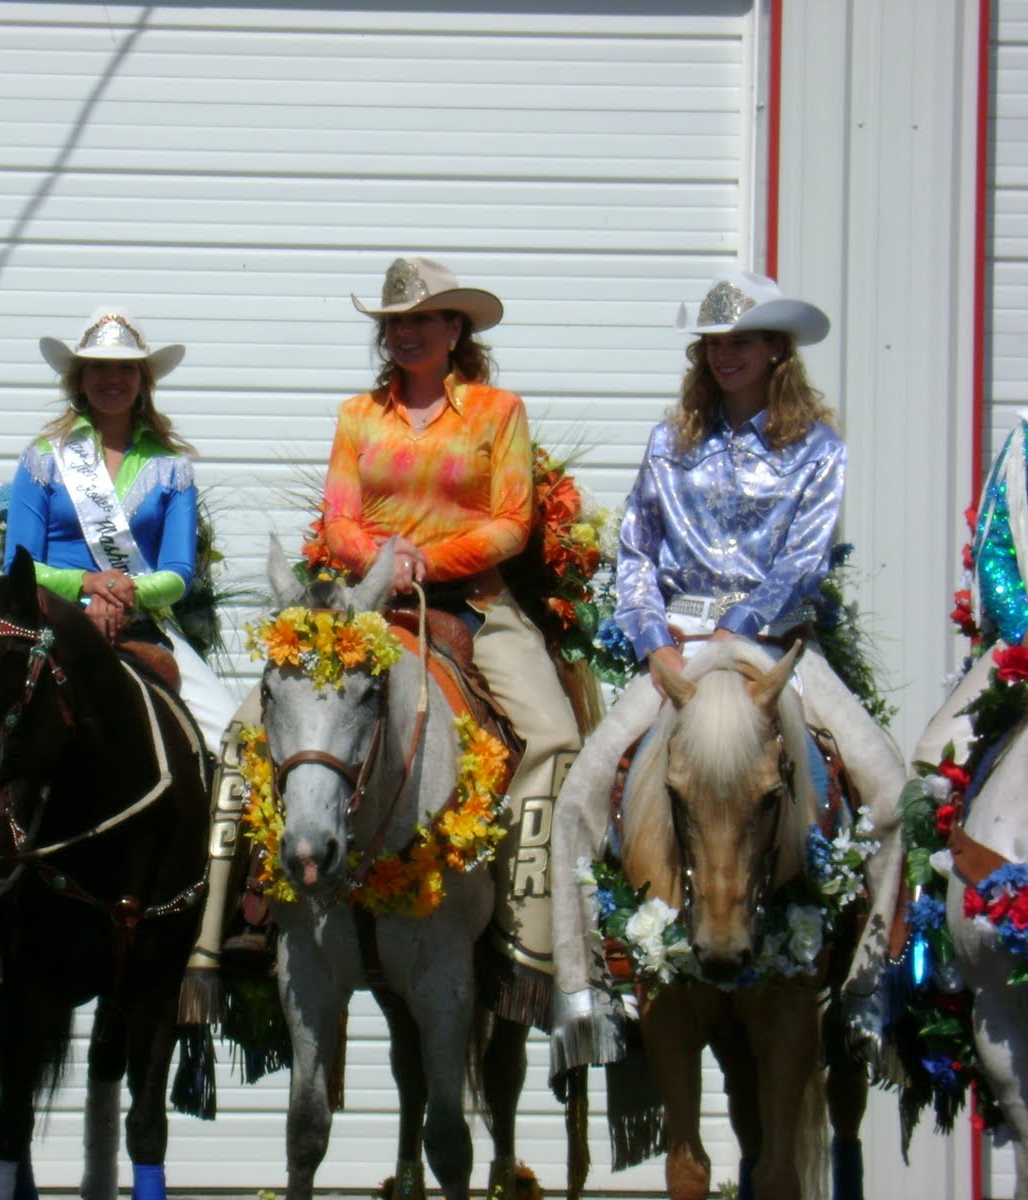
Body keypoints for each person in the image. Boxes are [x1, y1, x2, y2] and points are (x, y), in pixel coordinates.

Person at [549, 270, 905, 1072]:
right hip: (676, 647)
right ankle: (584, 996)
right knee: (576, 800)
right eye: (713, 343)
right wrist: (653, 641)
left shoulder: (818, 448)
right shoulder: (669, 440)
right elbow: (636, 552)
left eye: (741, 341)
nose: (724, 355)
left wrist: (737, 635)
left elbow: (804, 562)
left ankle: (868, 987)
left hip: (773, 650)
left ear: (777, 349)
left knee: (889, 793)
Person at [317, 256, 584, 1024]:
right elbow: (338, 520)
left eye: (421, 320)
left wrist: (428, 561)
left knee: (553, 735)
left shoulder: (497, 411)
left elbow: (512, 523)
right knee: (265, 725)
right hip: (373, 604)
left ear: (454, 329)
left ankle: (529, 929)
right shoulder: (357, 415)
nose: (405, 334)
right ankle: (253, 913)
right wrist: (383, 562)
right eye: (394, 323)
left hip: (475, 604)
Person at [3, 305, 236, 747]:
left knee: (231, 736)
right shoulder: (44, 458)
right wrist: (89, 583)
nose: (113, 378)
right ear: (80, 378)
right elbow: (19, 565)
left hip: (141, 622)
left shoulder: (171, 467)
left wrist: (123, 596)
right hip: (52, 622)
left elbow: (178, 574)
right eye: (99, 367)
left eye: (126, 368)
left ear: (143, 380)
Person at [911, 411, 1028, 766]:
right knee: (934, 755)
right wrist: (1022, 627)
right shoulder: (1025, 442)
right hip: (1026, 645)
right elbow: (995, 549)